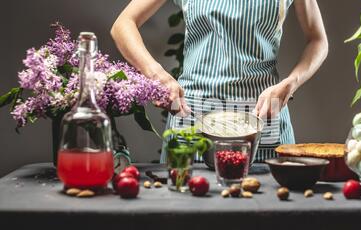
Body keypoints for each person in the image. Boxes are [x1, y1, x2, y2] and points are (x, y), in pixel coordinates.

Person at [111, 0, 328, 161]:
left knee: (273, 217)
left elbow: (318, 40)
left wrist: (291, 83)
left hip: (262, 123)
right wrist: (156, 75)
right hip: (192, 121)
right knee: (181, 215)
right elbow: (123, 25)